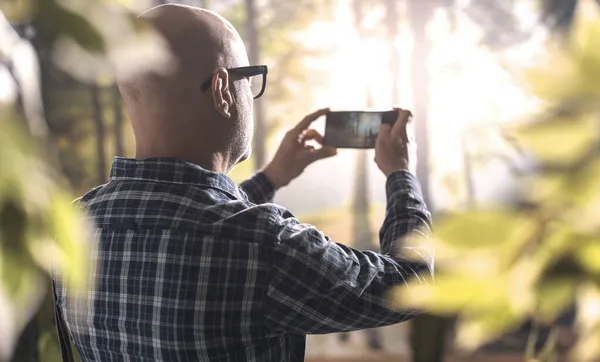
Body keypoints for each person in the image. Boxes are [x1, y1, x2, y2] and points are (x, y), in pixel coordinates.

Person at [55, 4, 434, 362]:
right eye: (249, 79)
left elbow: (187, 225)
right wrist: (401, 174)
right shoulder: (264, 244)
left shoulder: (71, 227)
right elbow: (409, 283)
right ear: (222, 90)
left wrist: (272, 177)